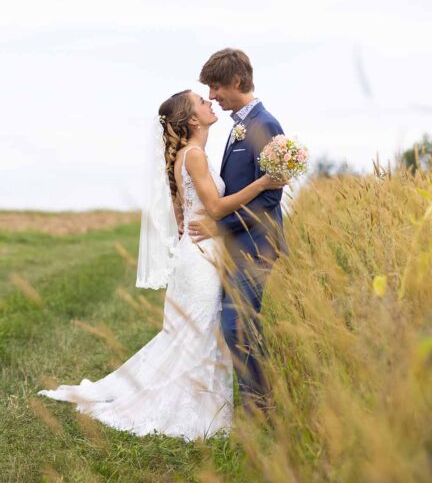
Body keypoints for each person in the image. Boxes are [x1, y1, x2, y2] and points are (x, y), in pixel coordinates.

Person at [38, 88, 286, 439]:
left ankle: (207, 406)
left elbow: (182, 213)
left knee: (195, 331)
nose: (210, 102)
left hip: (198, 251)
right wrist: (265, 181)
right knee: (199, 331)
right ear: (192, 120)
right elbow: (214, 209)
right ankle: (196, 411)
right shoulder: (195, 155)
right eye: (202, 102)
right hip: (202, 255)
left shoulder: (187, 155)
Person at [190, 48, 288, 414]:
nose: (212, 96)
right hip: (238, 244)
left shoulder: (265, 124)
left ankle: (261, 406)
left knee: (237, 325)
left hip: (258, 245)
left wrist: (219, 225)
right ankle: (256, 400)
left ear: (236, 81)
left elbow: (270, 196)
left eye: (216, 87)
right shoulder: (238, 125)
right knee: (240, 324)